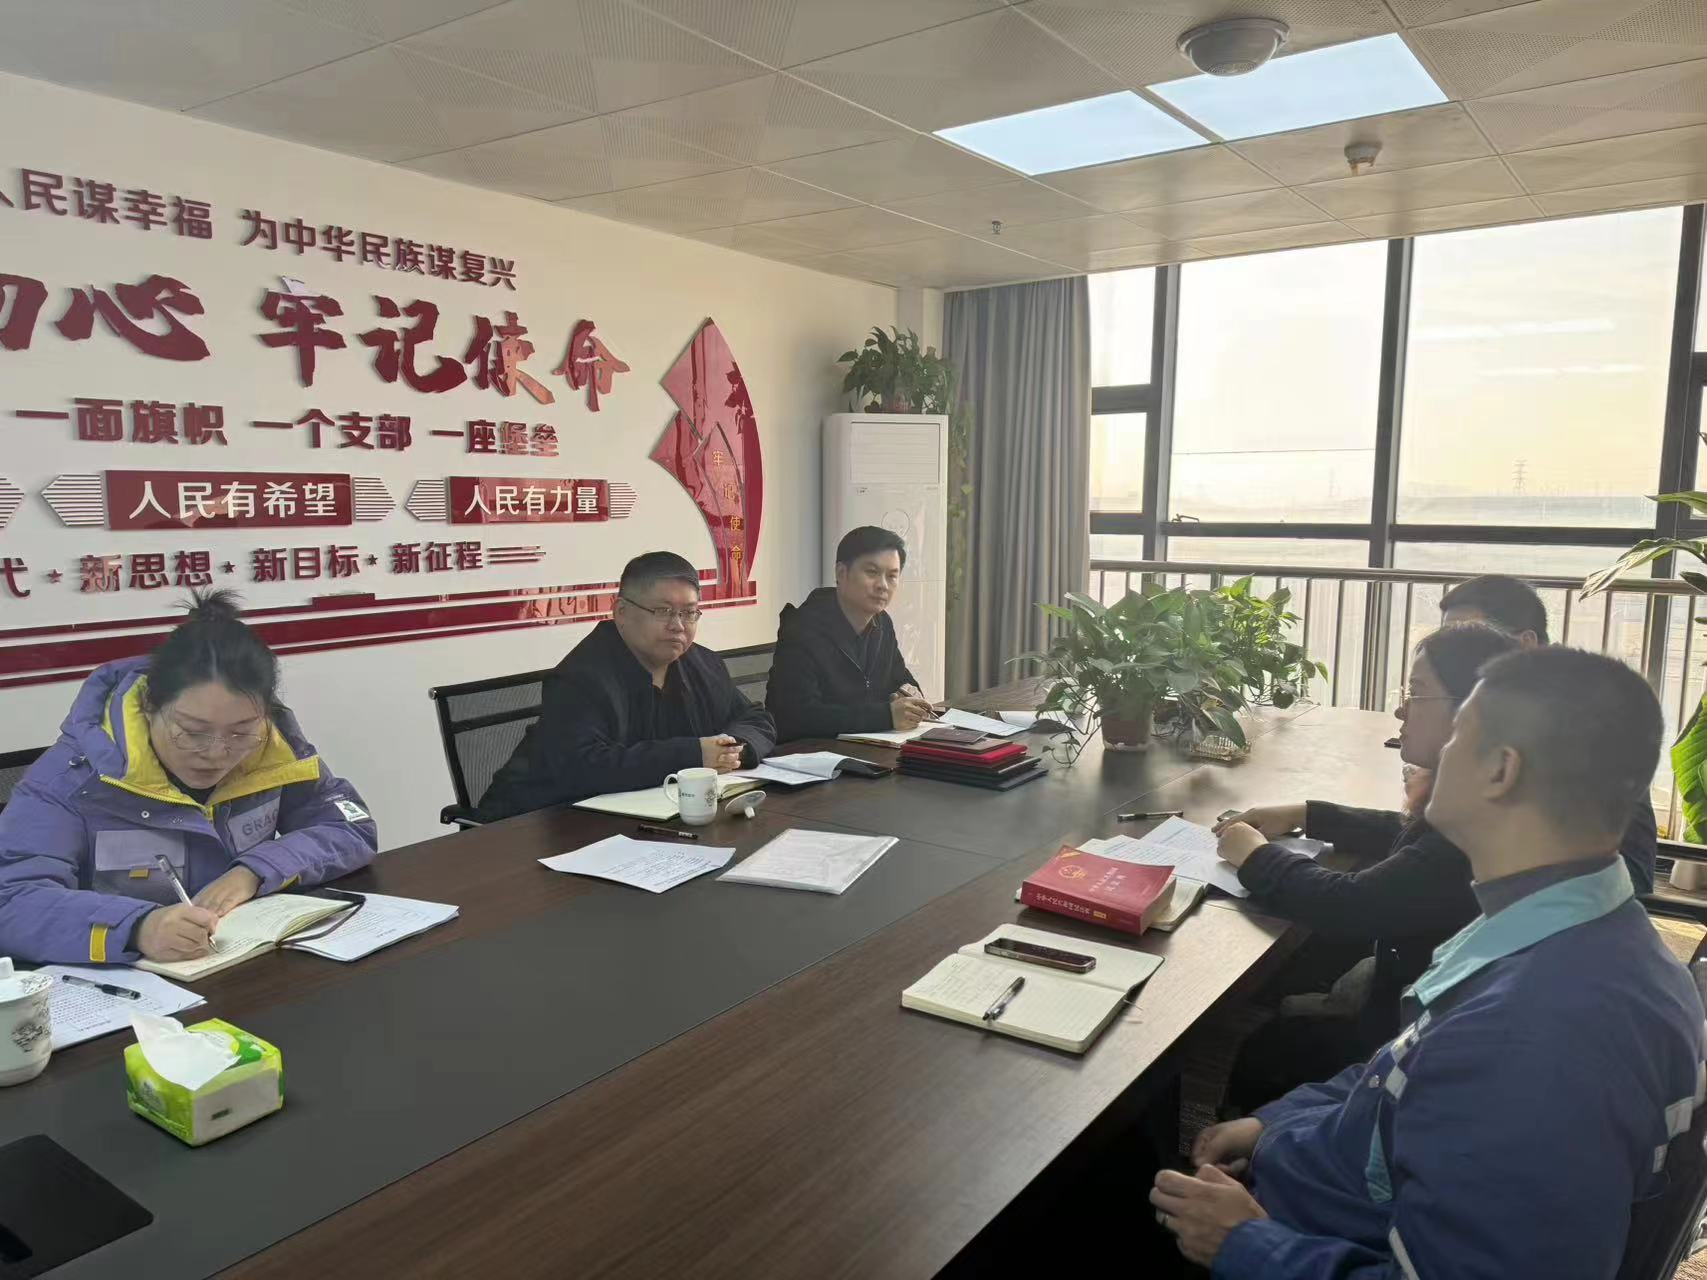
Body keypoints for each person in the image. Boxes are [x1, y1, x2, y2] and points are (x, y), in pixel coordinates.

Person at [1154, 648, 1705, 1278]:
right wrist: (1273, 1127)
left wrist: (1244, 1243)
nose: (1430, 746)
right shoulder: (1573, 932)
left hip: (1295, 1236)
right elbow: (1403, 1070)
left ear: (1501, 770)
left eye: (1460, 732)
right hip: (1318, 1188)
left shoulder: (1532, 1042)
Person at [1211, 624, 1521, 1111]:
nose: (1400, 710)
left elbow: (1351, 906)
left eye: (1417, 693)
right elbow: (1408, 837)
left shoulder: (1469, 831)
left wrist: (1254, 855)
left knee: (1268, 1051)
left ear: (1471, 711)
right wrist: (1308, 813)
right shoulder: (1495, 797)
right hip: (1434, 1000)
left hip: (1413, 1046)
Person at [0, 591, 378, 966]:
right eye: (193, 732)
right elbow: (12, 900)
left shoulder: (274, 752)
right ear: (149, 706)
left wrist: (256, 870)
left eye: (241, 732)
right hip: (134, 985)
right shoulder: (69, 780)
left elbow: (350, 826)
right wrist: (136, 928)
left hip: (244, 968)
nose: (216, 753)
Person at [478, 551, 776, 821]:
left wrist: (732, 750)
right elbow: (584, 767)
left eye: (689, 613)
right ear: (621, 612)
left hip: (644, 819)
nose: (678, 625)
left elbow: (757, 719)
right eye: (663, 611)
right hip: (533, 824)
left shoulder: (703, 664)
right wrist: (694, 756)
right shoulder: (580, 677)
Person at [1438, 573, 1656, 892]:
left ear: (1526, 643)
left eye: (1469, 638)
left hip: (1591, 888)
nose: (1450, 653)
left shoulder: (1581, 710)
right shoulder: (1508, 702)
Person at [766, 526, 931, 741]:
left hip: (868, 749)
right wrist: (886, 716)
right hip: (808, 753)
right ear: (841, 573)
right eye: (872, 572)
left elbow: (901, 678)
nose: (883, 585)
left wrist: (910, 694)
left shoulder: (882, 622)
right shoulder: (801, 629)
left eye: (892, 576)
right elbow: (798, 716)